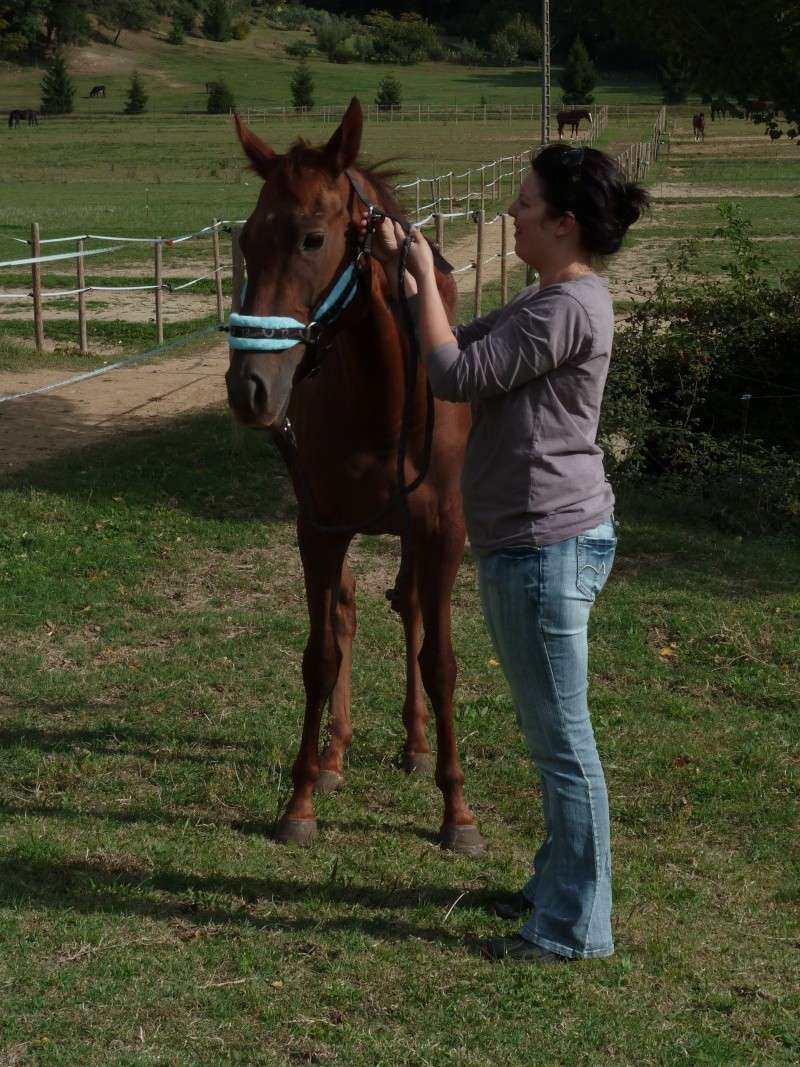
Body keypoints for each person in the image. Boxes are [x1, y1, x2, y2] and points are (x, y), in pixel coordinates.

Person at [364, 143, 649, 964]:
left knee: (564, 743)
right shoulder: (547, 299)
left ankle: (572, 929)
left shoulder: (566, 310)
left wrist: (416, 268)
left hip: (544, 544)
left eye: (524, 205)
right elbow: (451, 332)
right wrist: (406, 268)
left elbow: (451, 373)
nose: (513, 215)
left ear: (563, 223)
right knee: (548, 732)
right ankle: (555, 886)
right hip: (532, 542)